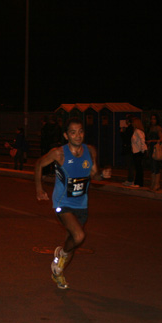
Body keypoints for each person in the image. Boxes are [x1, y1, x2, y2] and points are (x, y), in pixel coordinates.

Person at [34, 118, 100, 289]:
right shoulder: (59, 153)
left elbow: (94, 175)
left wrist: (102, 175)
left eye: (80, 131)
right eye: (73, 132)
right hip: (62, 202)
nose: (77, 135)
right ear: (66, 135)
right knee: (79, 236)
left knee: (72, 241)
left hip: (81, 204)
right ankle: (61, 254)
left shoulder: (90, 150)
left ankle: (58, 271)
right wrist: (39, 189)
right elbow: (39, 164)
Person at [146, 113, 162, 191]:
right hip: (151, 148)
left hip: (156, 148)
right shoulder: (150, 128)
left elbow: (161, 139)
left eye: (154, 119)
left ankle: (156, 184)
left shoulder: (158, 128)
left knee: (155, 165)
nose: (152, 120)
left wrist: (152, 141)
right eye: (152, 119)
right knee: (152, 166)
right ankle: (153, 183)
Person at [130, 117, 147, 188]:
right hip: (137, 151)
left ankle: (139, 183)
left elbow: (142, 140)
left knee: (138, 168)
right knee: (138, 167)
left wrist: (142, 150)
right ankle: (137, 182)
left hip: (138, 152)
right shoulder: (136, 131)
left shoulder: (138, 131)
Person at [120, 115, 135, 186]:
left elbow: (126, 138)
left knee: (130, 165)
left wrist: (122, 132)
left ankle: (130, 180)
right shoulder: (132, 128)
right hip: (131, 148)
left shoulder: (129, 128)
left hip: (129, 148)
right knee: (130, 165)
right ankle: (130, 179)